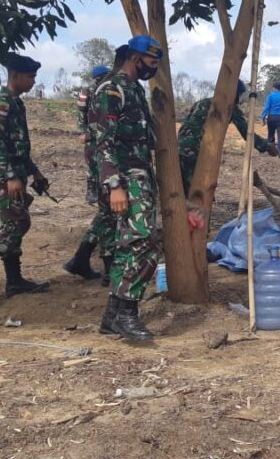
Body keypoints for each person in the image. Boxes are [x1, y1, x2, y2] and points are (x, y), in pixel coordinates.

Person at [91, 35, 164, 341]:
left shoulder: (134, 89)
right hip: (125, 180)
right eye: (151, 62)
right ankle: (127, 315)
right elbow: (103, 141)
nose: (153, 68)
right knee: (144, 243)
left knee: (131, 246)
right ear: (135, 59)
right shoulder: (112, 89)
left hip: (141, 178)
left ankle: (112, 317)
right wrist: (114, 185)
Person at [0, 54, 50, 301]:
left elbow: (19, 146)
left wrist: (34, 172)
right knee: (17, 223)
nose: (33, 82)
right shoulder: (0, 103)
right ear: (14, 76)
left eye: (34, 77)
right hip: (3, 175)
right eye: (30, 77)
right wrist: (9, 176)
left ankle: (14, 280)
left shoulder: (17, 104)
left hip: (17, 171)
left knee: (15, 221)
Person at [178, 80, 277, 196]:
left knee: (184, 188)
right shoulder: (229, 107)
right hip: (196, 150)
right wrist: (266, 146)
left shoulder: (201, 102)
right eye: (238, 95)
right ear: (234, 94)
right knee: (197, 190)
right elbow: (247, 132)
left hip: (180, 146)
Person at [63, 62, 115, 282]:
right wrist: (85, 132)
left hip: (101, 149)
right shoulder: (92, 92)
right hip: (98, 149)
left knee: (106, 212)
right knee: (108, 211)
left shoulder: (109, 90)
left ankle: (81, 259)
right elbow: (80, 116)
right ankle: (107, 267)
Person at [261, 81, 280, 157]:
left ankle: (271, 152)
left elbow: (266, 108)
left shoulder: (270, 96)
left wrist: (263, 118)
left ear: (273, 88)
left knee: (270, 134)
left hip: (271, 117)